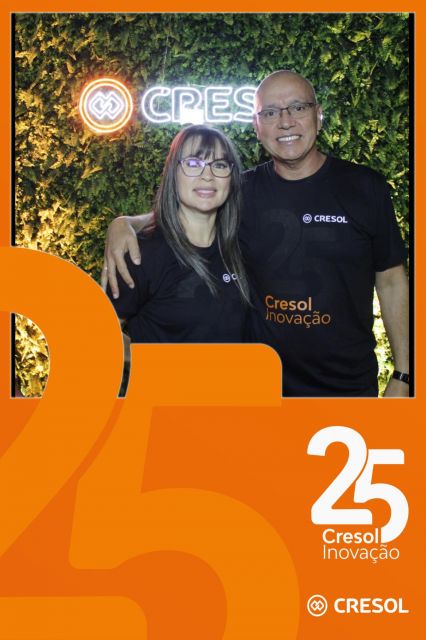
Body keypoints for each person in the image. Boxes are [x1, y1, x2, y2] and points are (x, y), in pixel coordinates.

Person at [103, 70, 409, 397]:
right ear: (257, 125)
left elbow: (392, 281)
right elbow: (191, 206)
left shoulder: (365, 187)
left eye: (298, 107)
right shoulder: (242, 191)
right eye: (271, 112)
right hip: (260, 392)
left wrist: (404, 374)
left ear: (318, 116)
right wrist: (125, 224)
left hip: (348, 390)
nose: (286, 122)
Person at [105, 124, 250, 345]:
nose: (208, 176)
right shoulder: (141, 254)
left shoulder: (241, 245)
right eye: (193, 163)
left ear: (231, 177)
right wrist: (143, 359)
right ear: (173, 173)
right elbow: (99, 336)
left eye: (219, 165)